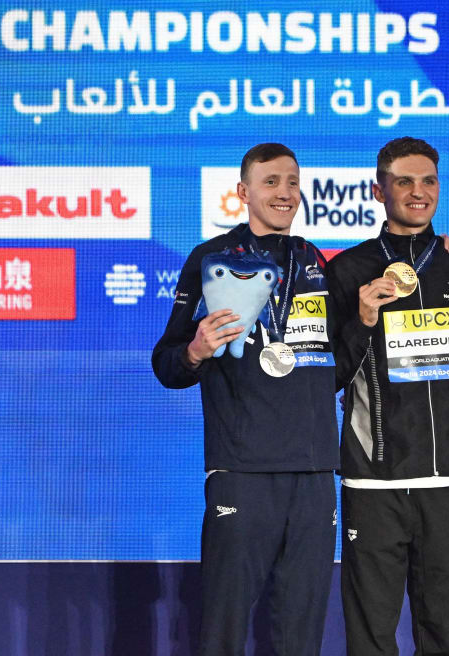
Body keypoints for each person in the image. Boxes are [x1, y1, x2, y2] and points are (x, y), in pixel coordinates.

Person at [151, 143, 340, 656]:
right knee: (224, 632)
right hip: (243, 473)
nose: (284, 192)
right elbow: (168, 364)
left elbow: (335, 365)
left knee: (302, 636)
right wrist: (196, 349)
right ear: (243, 192)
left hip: (315, 474)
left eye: (292, 182)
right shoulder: (211, 260)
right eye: (271, 181)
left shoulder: (316, 261)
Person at [326, 137, 449, 655]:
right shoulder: (347, 270)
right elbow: (327, 374)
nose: (418, 193)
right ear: (379, 191)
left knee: (445, 628)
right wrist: (364, 319)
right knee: (371, 631)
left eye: (428, 181)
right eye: (404, 181)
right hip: (373, 476)